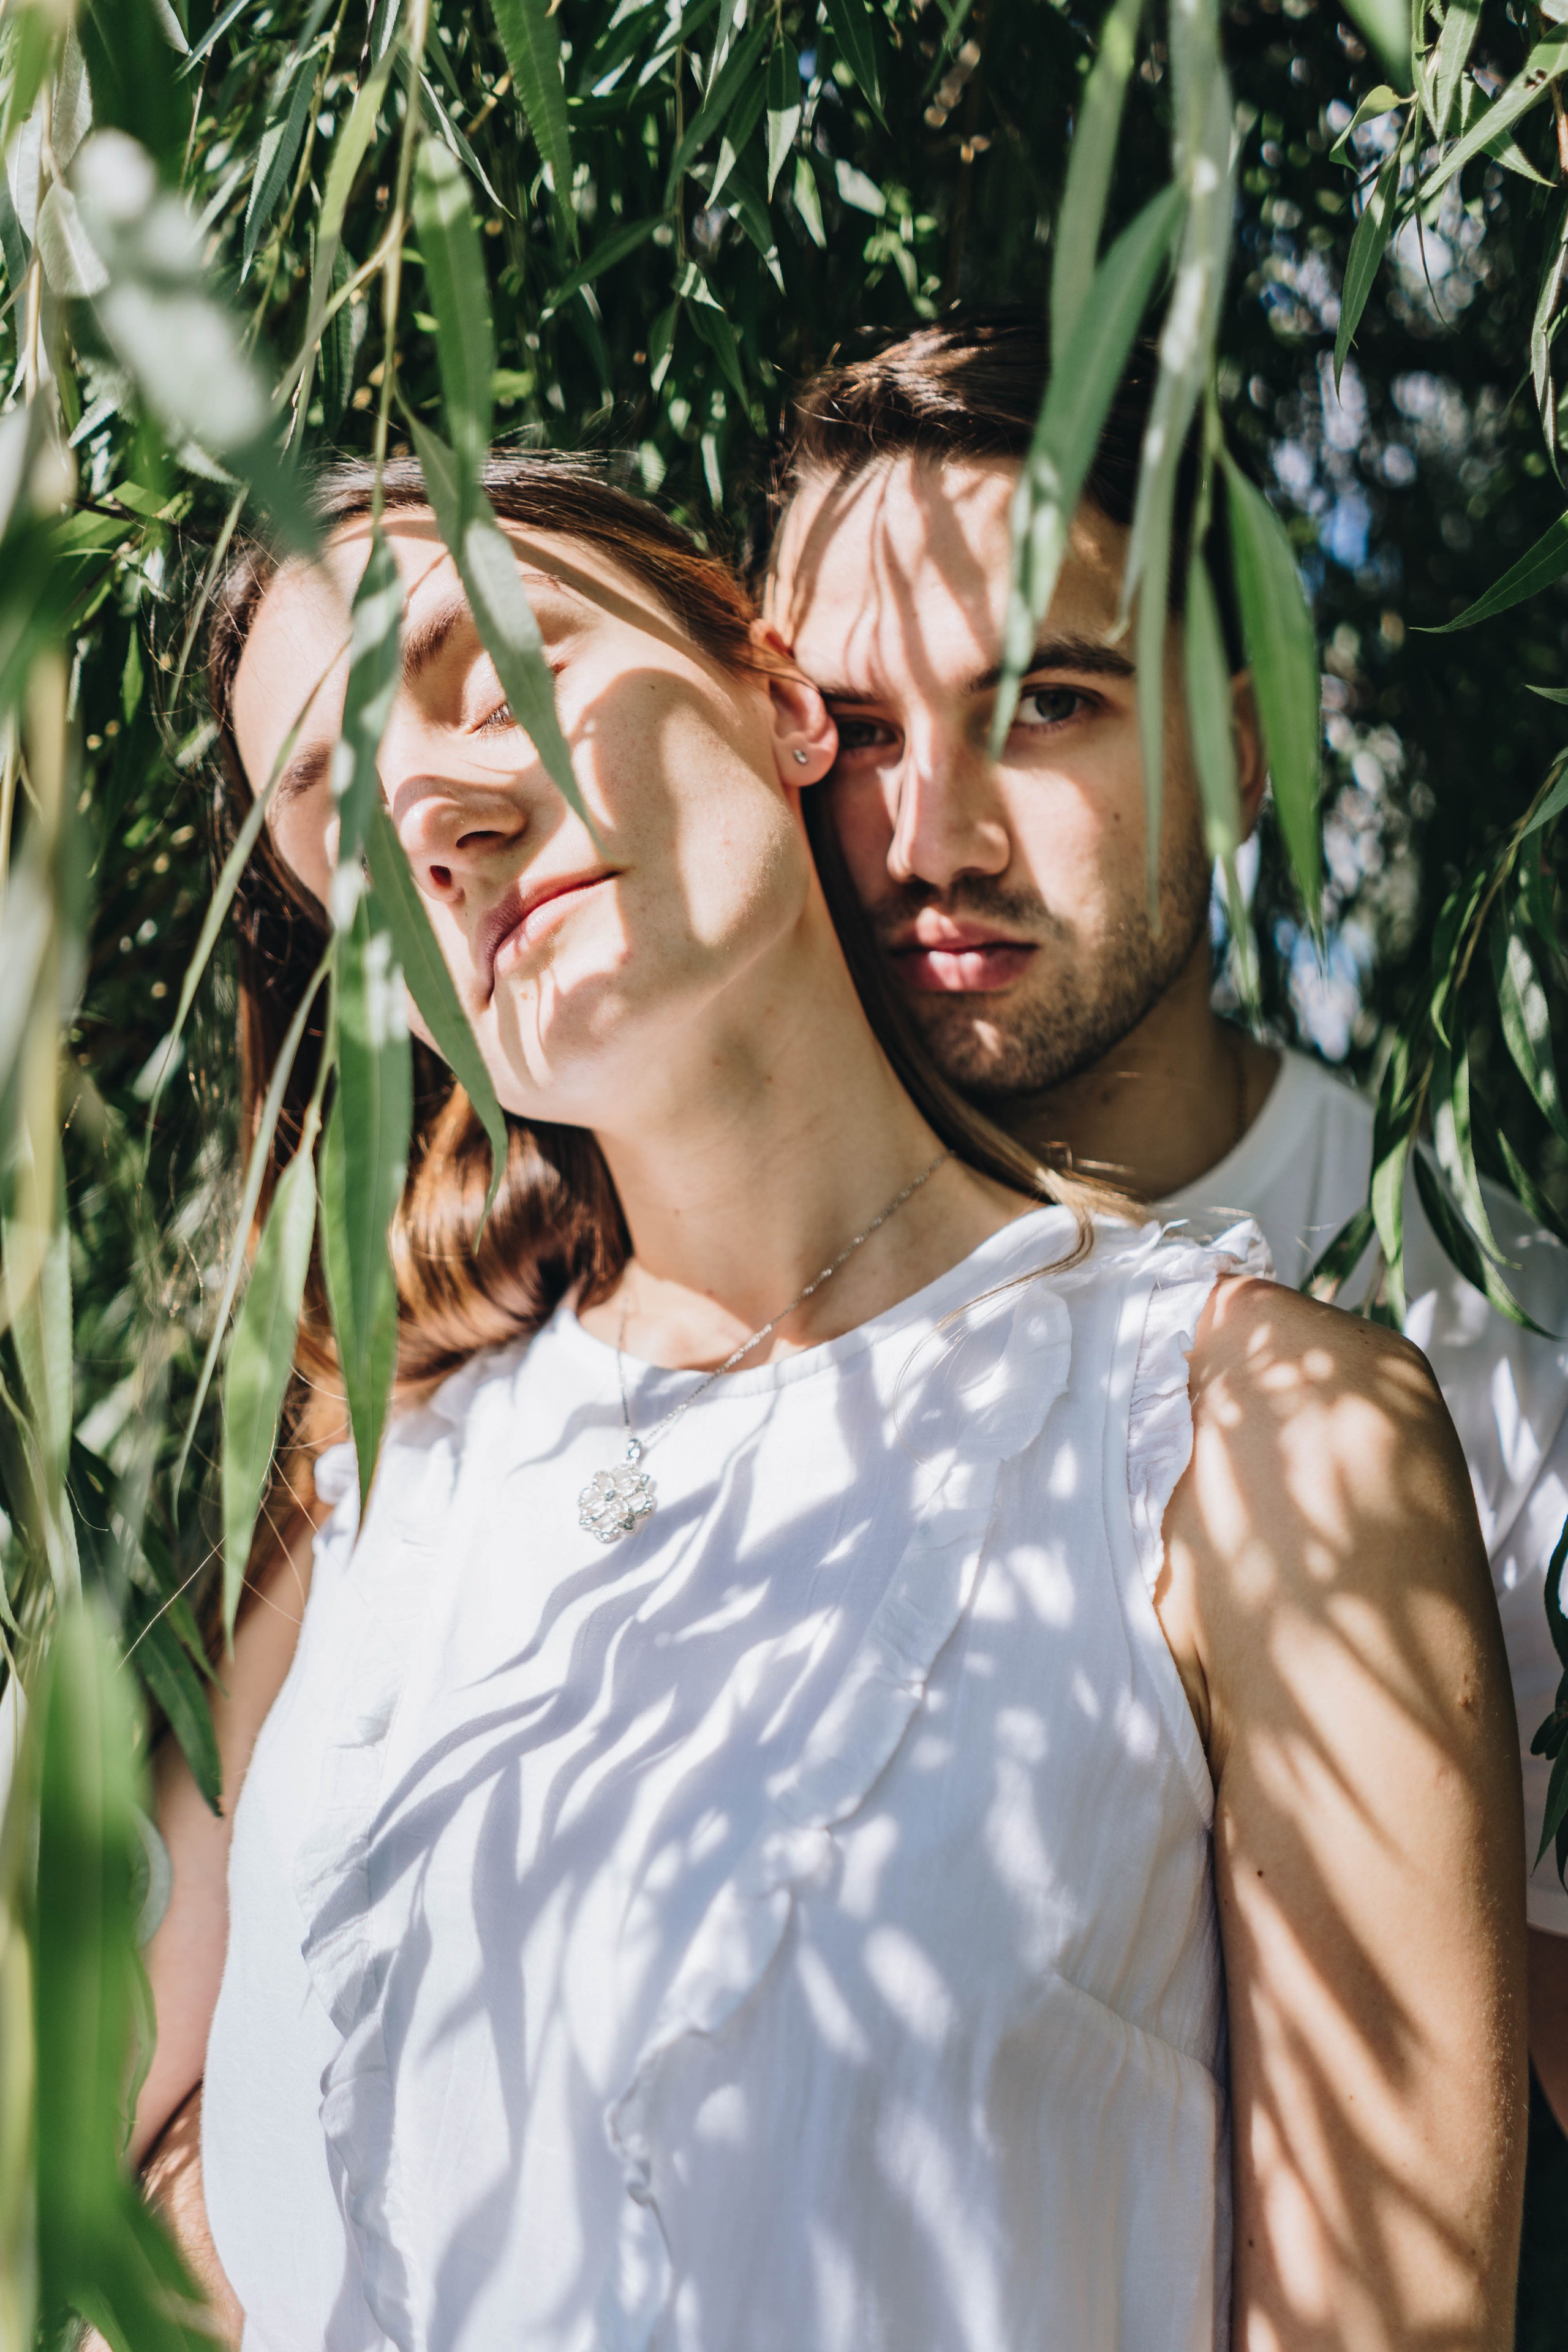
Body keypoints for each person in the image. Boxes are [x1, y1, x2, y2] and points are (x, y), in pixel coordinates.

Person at [135, 454, 1523, 2352]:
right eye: (338, 816)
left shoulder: (1257, 1438)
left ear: (780, 697)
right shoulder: (370, 1489)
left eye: (497, 671)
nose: (437, 813)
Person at [764, 308, 1568, 2130]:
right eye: (858, 732)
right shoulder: (686, 1290)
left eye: (1049, 703)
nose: (933, 840)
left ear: (1245, 740)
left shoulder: (1469, 1328)